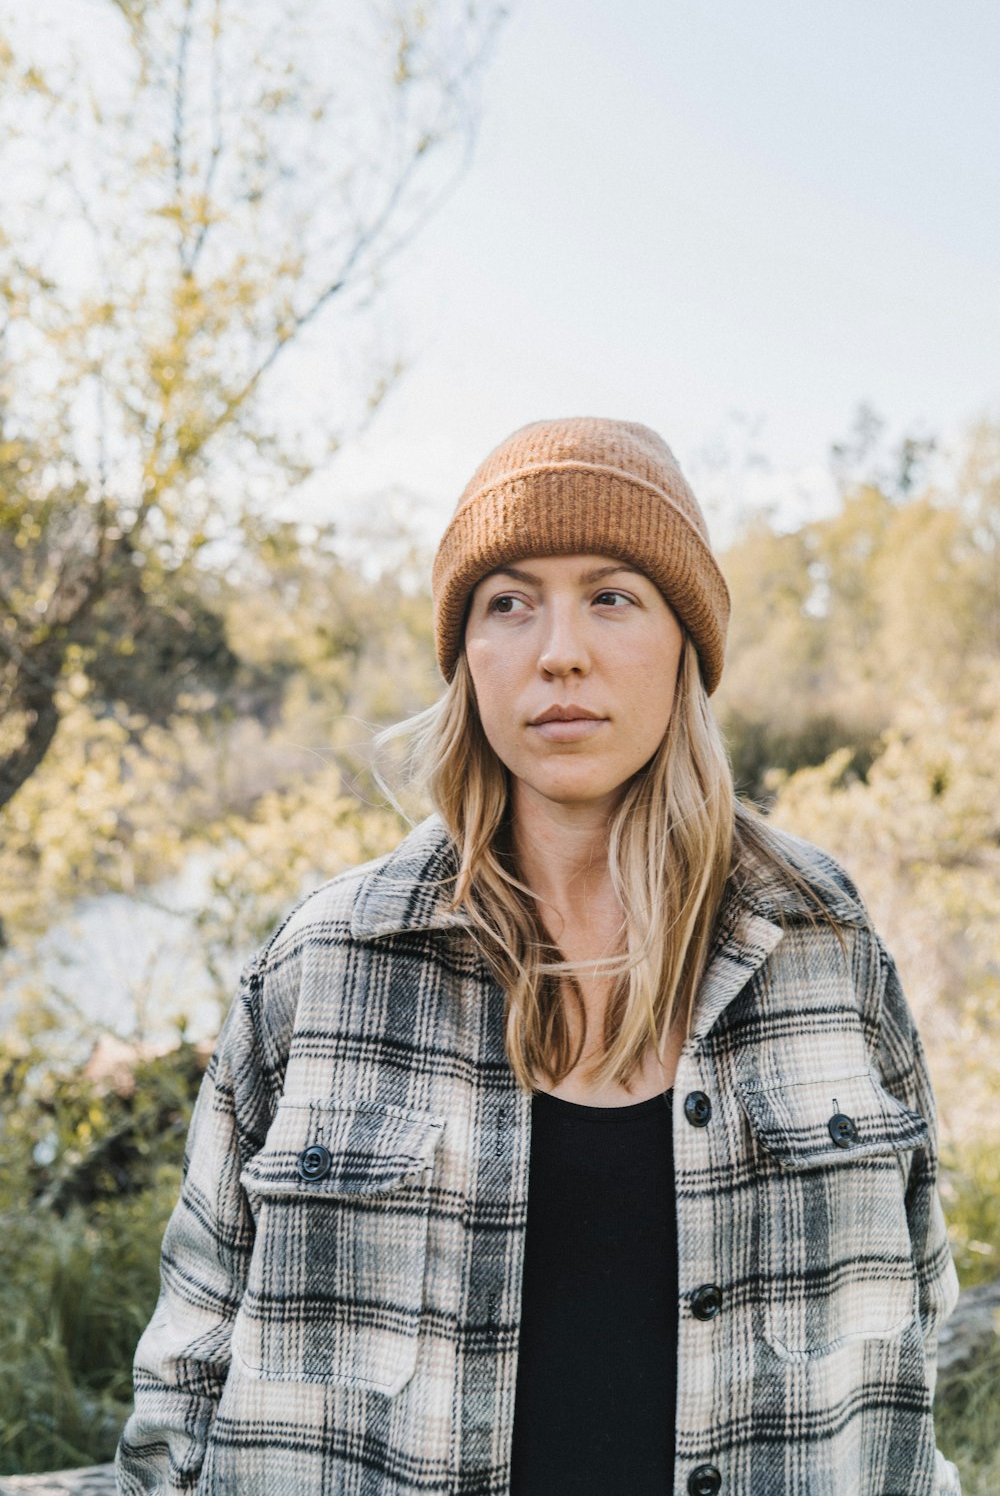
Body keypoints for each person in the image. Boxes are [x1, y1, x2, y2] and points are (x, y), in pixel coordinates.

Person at [116, 417, 961, 1496]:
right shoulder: (323, 966)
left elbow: (910, 1344)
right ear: (468, 656)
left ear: (684, 647)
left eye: (612, 595)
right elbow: (184, 1379)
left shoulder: (822, 944)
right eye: (507, 602)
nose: (558, 648)